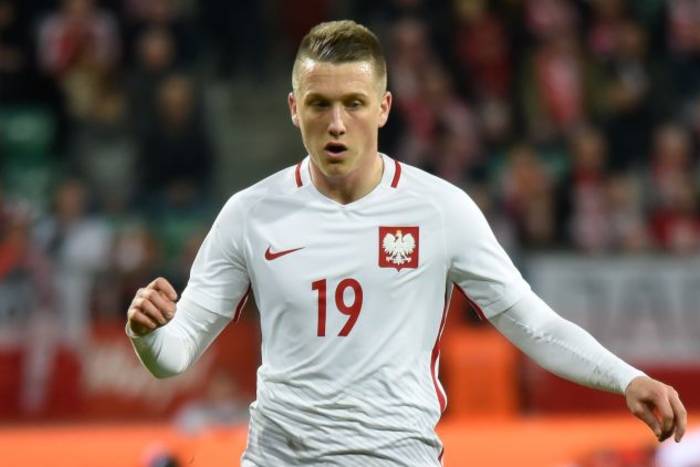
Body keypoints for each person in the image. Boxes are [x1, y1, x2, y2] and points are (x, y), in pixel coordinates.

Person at [126, 20, 687, 466]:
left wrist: (626, 378)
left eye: (354, 103)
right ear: (294, 109)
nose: (337, 123)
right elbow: (174, 355)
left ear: (384, 108)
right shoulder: (249, 213)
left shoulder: (439, 210)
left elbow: (532, 324)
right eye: (319, 104)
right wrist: (147, 335)